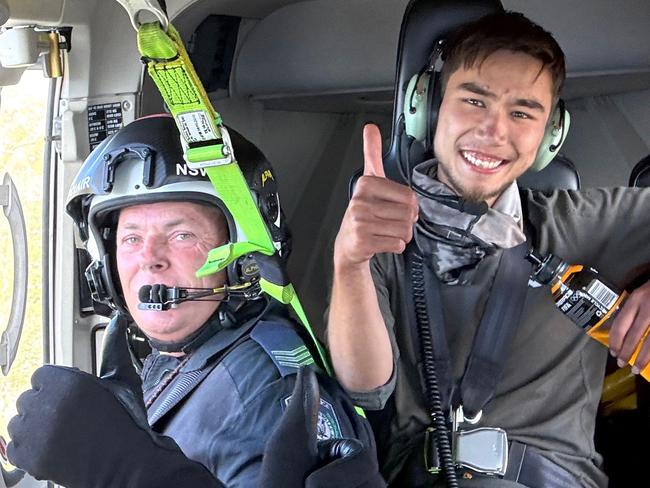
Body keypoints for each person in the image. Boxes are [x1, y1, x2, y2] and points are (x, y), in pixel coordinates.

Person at [327, 11, 650, 488]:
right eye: (474, 101)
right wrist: (349, 262)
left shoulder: (586, 222)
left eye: (522, 112)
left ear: (549, 134)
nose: (495, 130)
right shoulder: (379, 229)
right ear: (428, 108)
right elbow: (367, 388)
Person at [7, 114, 384, 488]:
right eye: (131, 239)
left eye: (182, 235)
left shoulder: (267, 394)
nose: (149, 258)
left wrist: (126, 472)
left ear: (241, 258)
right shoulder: (181, 357)